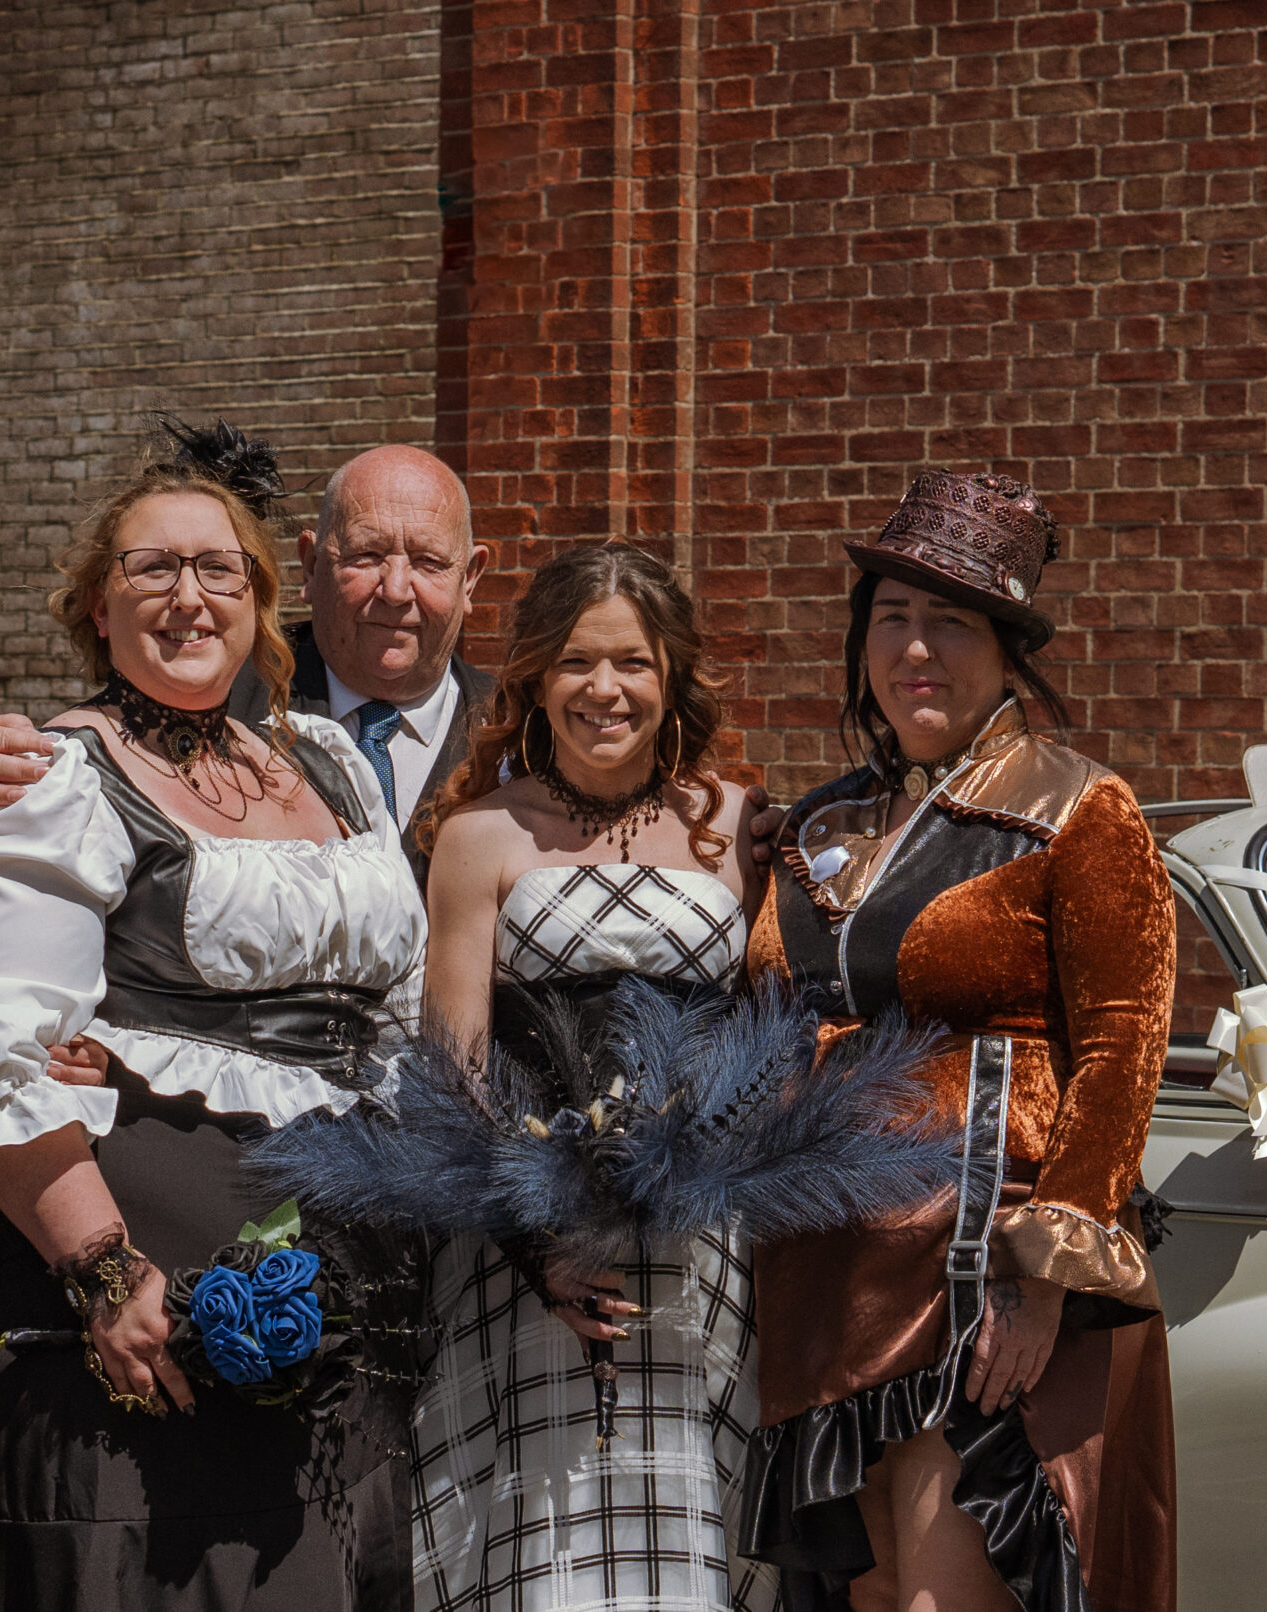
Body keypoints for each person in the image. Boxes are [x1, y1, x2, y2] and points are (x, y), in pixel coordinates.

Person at [0, 445, 430, 1611]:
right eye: (152, 569)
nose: (188, 597)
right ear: (96, 607)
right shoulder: (53, 773)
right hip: (143, 1282)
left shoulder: (333, 762)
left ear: (259, 600)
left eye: (219, 570)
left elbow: (395, 1014)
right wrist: (103, 1268)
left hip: (351, 1280)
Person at [734, 472, 1178, 1612]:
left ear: (1006, 648)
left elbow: (1124, 1046)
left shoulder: (1079, 810)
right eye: (891, 618)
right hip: (820, 1298)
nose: (915, 649)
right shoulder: (819, 821)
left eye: (951, 621)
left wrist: (1047, 1273)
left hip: (973, 1298)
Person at [411, 544, 776, 1612]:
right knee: (546, 1540)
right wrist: (537, 1246)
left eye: (631, 662)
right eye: (576, 661)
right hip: (529, 1248)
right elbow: (451, 1066)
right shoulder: (481, 836)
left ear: (671, 678)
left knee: (691, 1527)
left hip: (705, 1251)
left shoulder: (738, 830)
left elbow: (769, 1033)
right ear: (532, 678)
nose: (603, 690)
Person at [0, 439, 493, 888]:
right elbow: (75, 785)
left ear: (470, 579)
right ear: (312, 565)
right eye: (366, 556)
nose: (395, 590)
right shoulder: (208, 682)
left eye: (428, 562)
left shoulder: (527, 729)